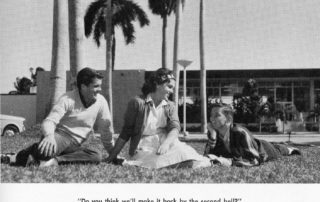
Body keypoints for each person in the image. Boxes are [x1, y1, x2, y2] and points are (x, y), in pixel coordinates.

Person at [1, 67, 114, 167]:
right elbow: (49, 121)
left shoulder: (101, 101)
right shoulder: (67, 98)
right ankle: (14, 157)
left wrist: (113, 154)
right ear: (83, 87)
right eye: (96, 86)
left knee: (96, 156)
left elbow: (106, 130)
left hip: (78, 144)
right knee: (45, 152)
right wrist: (49, 136)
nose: (100, 89)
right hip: (61, 137)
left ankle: (53, 162)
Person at [106, 68, 211, 169]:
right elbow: (126, 132)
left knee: (187, 155)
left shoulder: (170, 105)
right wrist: (111, 157)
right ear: (157, 84)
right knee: (161, 161)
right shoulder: (137, 103)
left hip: (167, 142)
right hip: (144, 146)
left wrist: (166, 143)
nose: (171, 91)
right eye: (169, 87)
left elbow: (175, 128)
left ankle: (168, 162)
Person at [204, 102, 302, 167]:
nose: (212, 119)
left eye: (217, 115)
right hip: (252, 145)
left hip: (265, 150)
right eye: (211, 115)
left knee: (279, 150)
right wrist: (212, 135)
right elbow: (207, 156)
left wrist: (228, 162)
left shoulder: (240, 132)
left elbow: (255, 160)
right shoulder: (213, 132)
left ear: (228, 119)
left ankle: (289, 148)